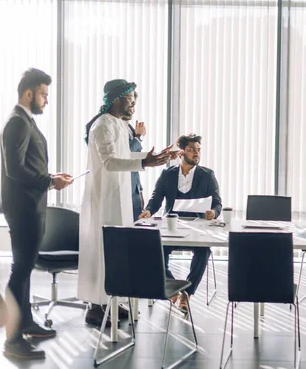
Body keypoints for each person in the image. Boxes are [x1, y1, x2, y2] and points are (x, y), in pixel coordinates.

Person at [78, 79, 176, 328]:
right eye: (130, 97)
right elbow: (110, 161)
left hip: (119, 196)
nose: (134, 102)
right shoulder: (101, 126)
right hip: (104, 197)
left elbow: (125, 156)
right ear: (115, 98)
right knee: (103, 250)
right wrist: (145, 163)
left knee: (117, 252)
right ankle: (96, 306)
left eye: (135, 97)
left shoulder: (120, 125)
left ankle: (111, 301)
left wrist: (152, 157)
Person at [0, 68, 73, 359]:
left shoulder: (24, 121)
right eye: (43, 94)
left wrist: (51, 176)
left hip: (31, 205)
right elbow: (15, 169)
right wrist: (49, 181)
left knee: (25, 270)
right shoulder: (17, 122)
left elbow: (28, 163)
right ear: (29, 93)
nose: (46, 101)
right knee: (19, 272)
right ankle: (13, 340)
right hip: (24, 208)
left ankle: (26, 322)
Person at [139, 133, 221, 312]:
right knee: (155, 250)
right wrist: (148, 211)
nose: (196, 153)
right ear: (182, 152)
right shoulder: (167, 174)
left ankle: (187, 294)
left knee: (204, 251)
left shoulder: (207, 175)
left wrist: (213, 212)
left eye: (198, 150)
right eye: (191, 150)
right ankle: (172, 291)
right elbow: (156, 198)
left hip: (198, 226)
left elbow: (217, 203)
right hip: (172, 226)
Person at [123, 91, 147, 221]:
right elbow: (125, 155)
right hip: (124, 190)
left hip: (135, 190)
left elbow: (135, 162)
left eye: (134, 105)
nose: (133, 109)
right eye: (131, 105)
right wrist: (138, 137)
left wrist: (140, 191)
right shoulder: (115, 127)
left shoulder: (130, 128)